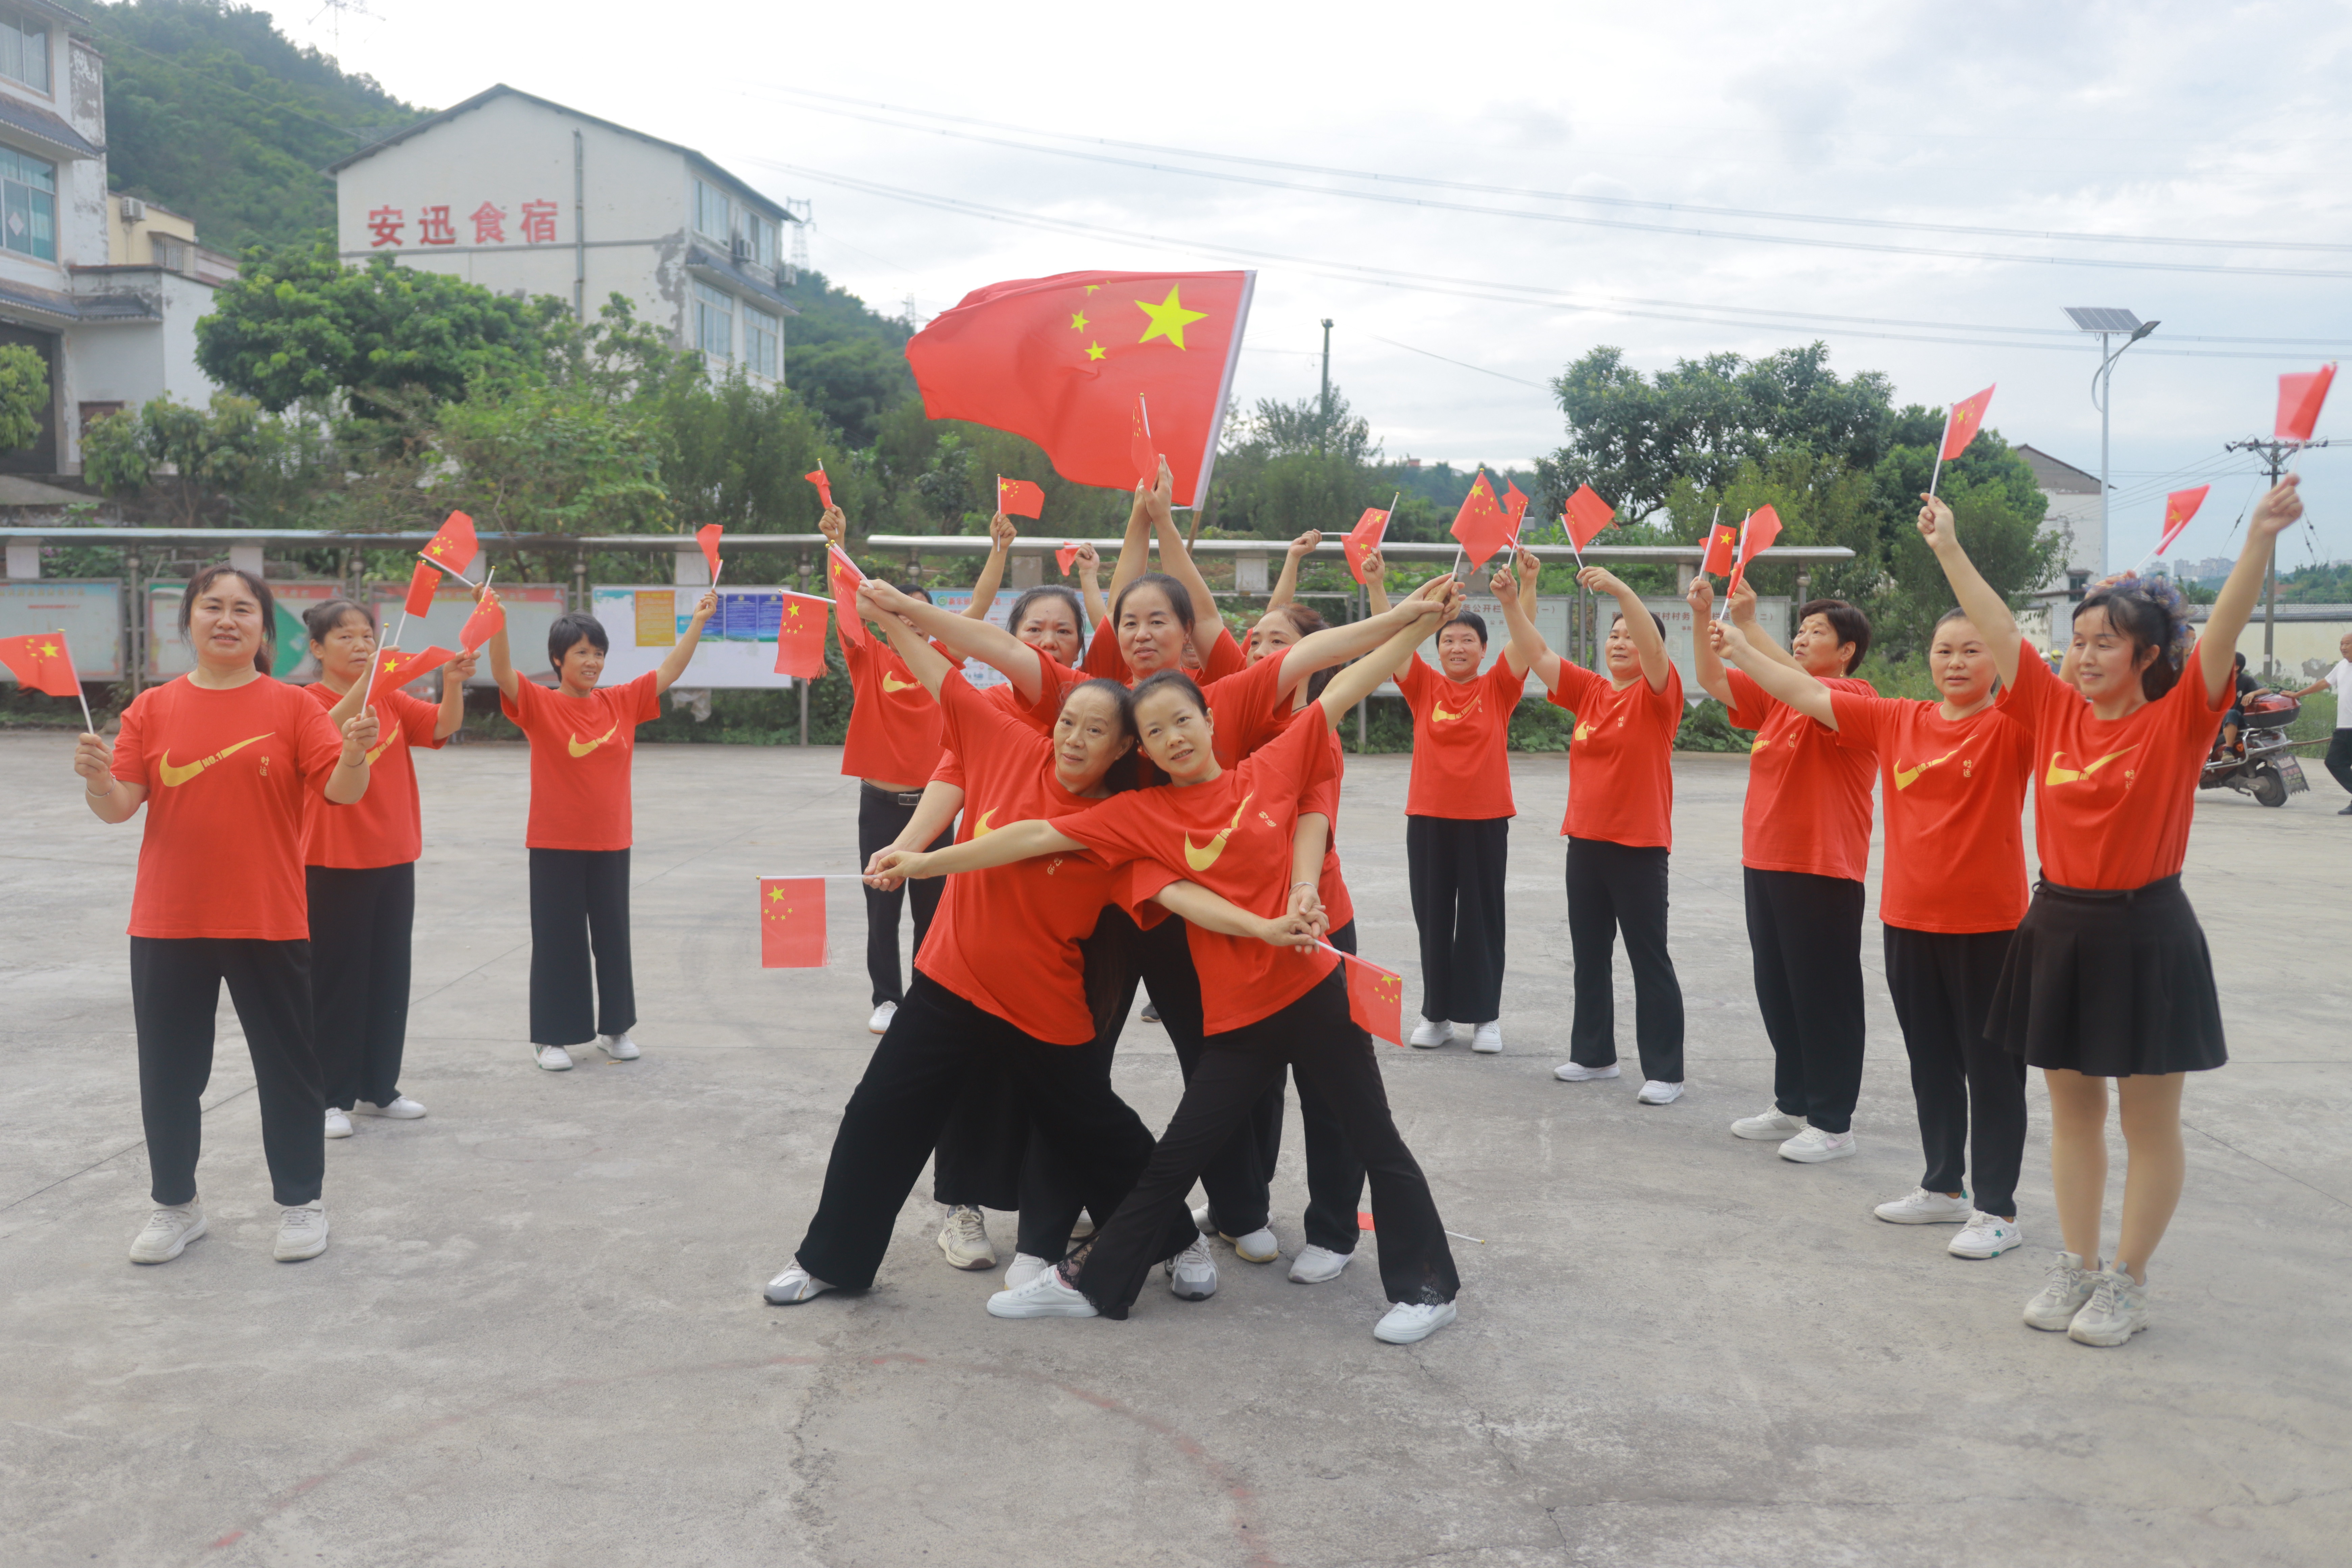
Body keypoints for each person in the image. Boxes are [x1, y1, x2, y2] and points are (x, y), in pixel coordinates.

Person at [874, 580, 1467, 1343]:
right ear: (1142, 752)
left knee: (1374, 1136)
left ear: (1210, 719)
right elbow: (1034, 837)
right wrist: (925, 860)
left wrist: (1414, 622)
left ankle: (1428, 1288)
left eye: (1183, 720)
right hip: (1241, 1017)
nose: (1174, 738)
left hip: (1313, 993)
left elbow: (1343, 681)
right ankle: (1092, 1283)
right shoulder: (1140, 815)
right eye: (1155, 732)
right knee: (1175, 1157)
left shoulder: (1270, 766)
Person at [763, 582, 1297, 1310]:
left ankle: (1176, 1239)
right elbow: (942, 674)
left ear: (1123, 749)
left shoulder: (1121, 825)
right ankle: (831, 1262)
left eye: (1095, 732)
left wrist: (1262, 923)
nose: (1074, 740)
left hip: (1045, 1006)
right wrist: (891, 618)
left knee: (1098, 1132)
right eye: (1068, 723)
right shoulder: (1007, 743)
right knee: (878, 1116)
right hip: (951, 980)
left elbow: (1176, 894)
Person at [1925, 479, 2305, 1346]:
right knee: (2074, 1111)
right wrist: (1947, 545)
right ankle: (2078, 1262)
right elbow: (1993, 624)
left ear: (2147, 656)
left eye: (2106, 643)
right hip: (2057, 927)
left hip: (2146, 933)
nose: (2086, 655)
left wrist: (2256, 539)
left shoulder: (2177, 722)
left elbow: (2222, 633)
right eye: (2079, 640)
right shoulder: (2053, 709)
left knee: (2146, 1119)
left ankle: (2128, 1280)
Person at [75, 564, 380, 1265]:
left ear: (264, 628)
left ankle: (302, 1203)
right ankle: (175, 1206)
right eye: (212, 606)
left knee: (287, 1067)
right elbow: (120, 806)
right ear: (189, 621)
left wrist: (356, 754)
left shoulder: (293, 708)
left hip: (266, 915)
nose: (227, 619)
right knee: (170, 1073)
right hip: (168, 919)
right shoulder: (151, 709)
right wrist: (97, 781)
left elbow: (342, 791)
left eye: (244, 609)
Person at [1711, 601, 2035, 1259]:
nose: (1956, 662)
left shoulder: (2015, 725)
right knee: (1931, 1063)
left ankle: (1998, 1209)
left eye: (1972, 650)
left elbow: (2015, 653)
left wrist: (1947, 552)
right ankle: (1944, 1187)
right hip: (1908, 920)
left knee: (1991, 1070)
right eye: (1944, 650)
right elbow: (1804, 691)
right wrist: (1737, 646)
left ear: (1999, 659)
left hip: (1989, 925)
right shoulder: (1899, 719)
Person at [482, 583, 717, 1071]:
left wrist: (698, 621)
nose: (592, 662)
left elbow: (670, 671)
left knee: (612, 937)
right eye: (582, 652)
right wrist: (495, 621)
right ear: (558, 659)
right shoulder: (540, 703)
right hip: (555, 842)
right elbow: (502, 673)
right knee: (558, 939)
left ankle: (616, 1029)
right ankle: (552, 1037)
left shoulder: (620, 702)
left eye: (599, 653)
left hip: (611, 841)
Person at [1689, 577, 1878, 1162]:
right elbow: (1712, 680)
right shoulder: (1778, 698)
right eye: (1799, 630)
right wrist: (1703, 619)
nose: (1800, 638)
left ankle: (1833, 1122)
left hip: (1821, 868)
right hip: (1766, 861)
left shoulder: (1857, 697)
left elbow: (1804, 688)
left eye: (1816, 632)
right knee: (1779, 991)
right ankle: (1794, 1102)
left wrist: (1747, 631)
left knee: (1823, 997)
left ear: (1846, 651)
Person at [1498, 557, 1688, 1104]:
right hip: (1585, 843)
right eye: (1614, 635)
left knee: (1649, 959)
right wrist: (1512, 602)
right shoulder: (1590, 691)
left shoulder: (1658, 695)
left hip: (1639, 848)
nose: (1621, 642)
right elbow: (1537, 653)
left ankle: (1665, 1072)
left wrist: (1622, 590)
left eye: (1632, 636)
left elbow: (1654, 652)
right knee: (1589, 954)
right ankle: (1594, 1055)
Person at [300, 599, 477, 1137]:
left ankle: (378, 1088)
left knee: (387, 979)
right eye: (345, 637)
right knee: (337, 982)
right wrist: (370, 684)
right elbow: (318, 736)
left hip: (395, 855)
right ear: (317, 649)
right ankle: (326, 1097)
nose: (361, 646)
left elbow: (443, 725)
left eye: (366, 636)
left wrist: (452, 683)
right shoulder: (305, 703)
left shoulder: (393, 699)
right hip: (333, 860)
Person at [1390, 558, 1532, 1054]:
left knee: (1481, 919)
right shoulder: (1424, 685)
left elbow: (1526, 642)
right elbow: (1395, 642)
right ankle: (1436, 1015)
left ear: (1484, 649)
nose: (1457, 647)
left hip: (1485, 819)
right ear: (1437, 648)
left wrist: (1526, 588)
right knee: (1432, 919)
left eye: (1468, 640)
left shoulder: (1499, 686)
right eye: (1448, 640)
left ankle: (1485, 1017)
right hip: (1429, 818)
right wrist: (1376, 585)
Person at [820, 505, 952, 1037]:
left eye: (918, 614)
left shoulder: (943, 664)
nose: (909, 621)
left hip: (933, 808)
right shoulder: (870, 659)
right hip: (880, 805)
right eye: (900, 612)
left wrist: (999, 552)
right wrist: (836, 545)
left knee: (933, 911)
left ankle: (926, 997)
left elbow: (980, 609)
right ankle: (886, 999)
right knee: (882, 907)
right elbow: (846, 608)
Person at [2284, 630, 2352, 814]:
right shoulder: (2342, 666)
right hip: (2344, 727)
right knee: (2334, 763)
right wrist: (2298, 694)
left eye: (2348, 644)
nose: (2343, 647)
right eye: (2342, 644)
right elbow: (2324, 683)